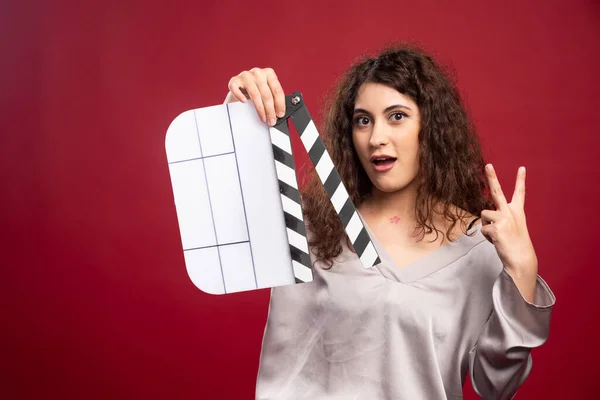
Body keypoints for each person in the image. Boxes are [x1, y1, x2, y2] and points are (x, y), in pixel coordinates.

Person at [224, 44, 556, 400]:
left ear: (431, 127)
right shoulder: (309, 224)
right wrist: (233, 118)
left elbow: (497, 385)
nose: (376, 138)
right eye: (363, 120)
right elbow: (221, 220)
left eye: (397, 116)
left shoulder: (481, 249)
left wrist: (522, 271)